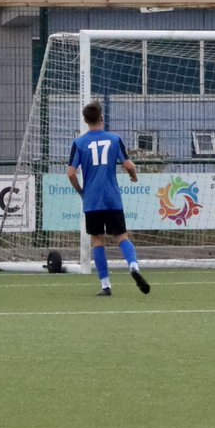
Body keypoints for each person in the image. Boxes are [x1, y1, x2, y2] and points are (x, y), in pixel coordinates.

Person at [66, 101, 150, 297]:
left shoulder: (79, 143)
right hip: (112, 198)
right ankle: (133, 266)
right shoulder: (114, 139)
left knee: (97, 240)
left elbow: (71, 173)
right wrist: (134, 176)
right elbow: (128, 165)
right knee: (122, 237)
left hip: (92, 200)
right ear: (102, 118)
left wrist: (81, 191)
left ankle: (106, 285)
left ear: (85, 120)